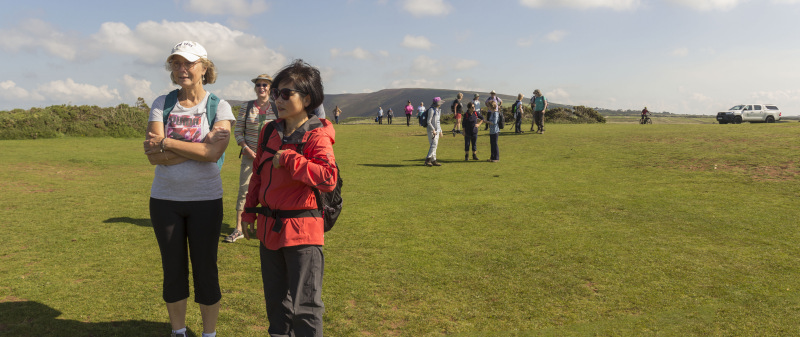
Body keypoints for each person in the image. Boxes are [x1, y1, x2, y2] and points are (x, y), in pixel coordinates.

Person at [143, 40, 234, 337]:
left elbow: (212, 155)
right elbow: (152, 156)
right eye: (176, 63)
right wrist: (199, 146)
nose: (182, 69)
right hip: (165, 200)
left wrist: (168, 143)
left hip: (205, 200)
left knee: (206, 270)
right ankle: (178, 331)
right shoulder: (162, 103)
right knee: (173, 270)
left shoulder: (219, 106)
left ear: (204, 68)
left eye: (189, 63)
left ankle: (209, 334)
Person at [241, 59, 337, 337]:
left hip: (303, 233)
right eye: (275, 93)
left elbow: (328, 178)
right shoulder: (270, 131)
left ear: (307, 98)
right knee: (275, 304)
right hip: (270, 230)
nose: (277, 99)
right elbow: (258, 174)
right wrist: (249, 212)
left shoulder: (317, 135)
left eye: (286, 94)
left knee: (305, 306)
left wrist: (293, 160)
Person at [226, 74, 276, 244]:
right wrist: (247, 149)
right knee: (244, 191)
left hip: (272, 159)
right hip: (250, 158)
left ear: (270, 88)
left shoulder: (277, 108)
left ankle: (269, 226)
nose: (261, 88)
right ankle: (238, 229)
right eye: (258, 85)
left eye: (265, 85)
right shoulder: (247, 107)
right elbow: (238, 132)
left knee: (272, 191)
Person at [424, 97, 444, 167]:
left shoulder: (438, 110)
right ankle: (428, 160)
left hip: (437, 131)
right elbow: (428, 122)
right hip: (432, 131)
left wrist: (440, 130)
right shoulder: (431, 110)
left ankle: (433, 160)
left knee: (435, 146)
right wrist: (433, 130)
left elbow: (438, 122)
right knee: (433, 145)